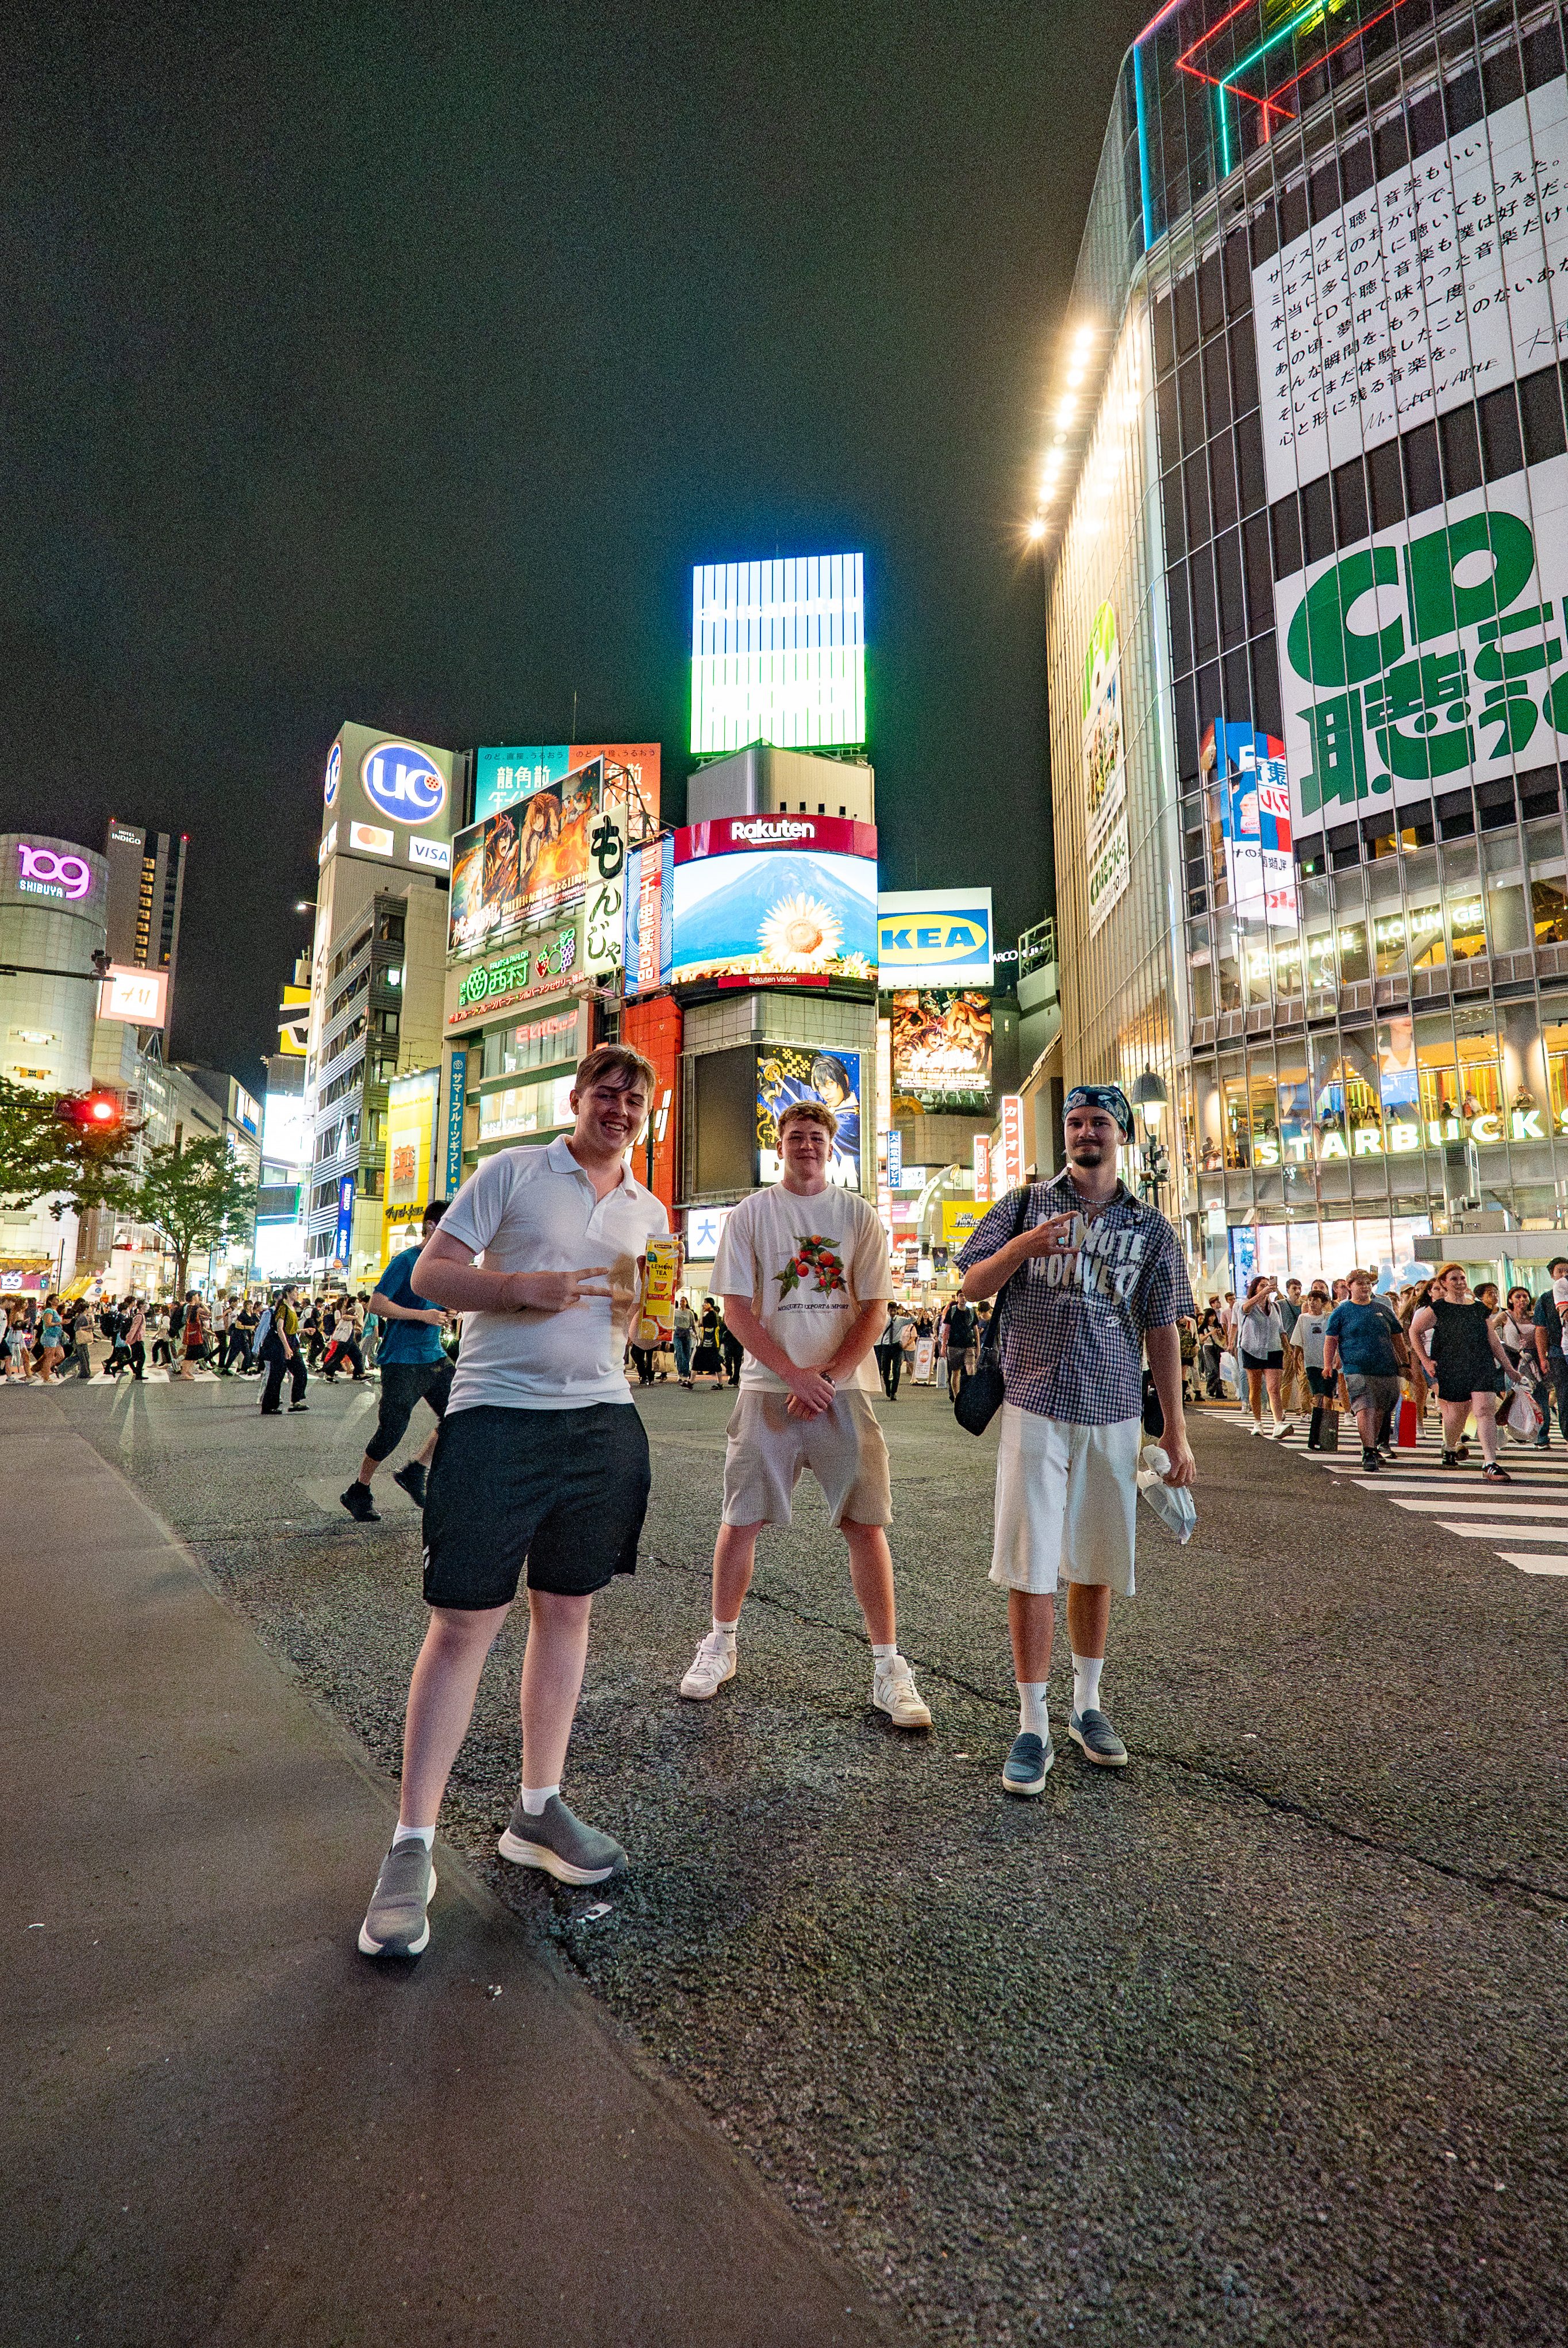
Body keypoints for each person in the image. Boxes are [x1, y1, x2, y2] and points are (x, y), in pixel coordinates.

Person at [356, 1045, 670, 1959]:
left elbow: (628, 1311)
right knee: (463, 1624)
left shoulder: (645, 1207)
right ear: (576, 1100)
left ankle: (539, 1810)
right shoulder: (511, 1172)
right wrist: (516, 1290)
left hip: (604, 1425)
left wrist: (642, 1316)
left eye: (634, 1097)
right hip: (497, 1420)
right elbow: (429, 1277)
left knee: (567, 1610)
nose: (619, 1107)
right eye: (605, 1092)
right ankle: (410, 1845)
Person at [953, 1083, 1195, 1792]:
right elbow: (970, 1285)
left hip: (1116, 1407)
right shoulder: (1024, 1203)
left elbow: (1163, 1330)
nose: (1086, 1132)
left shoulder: (1150, 1228)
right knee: (1030, 1563)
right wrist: (1025, 1246)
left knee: (1094, 1562)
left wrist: (1175, 1430)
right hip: (1033, 1400)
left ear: (1120, 1133)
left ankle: (1086, 1704)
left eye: (1099, 1122)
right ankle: (1031, 1720)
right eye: (1075, 1122)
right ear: (1065, 1133)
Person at [677, 1096, 932, 1731]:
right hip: (769, 1388)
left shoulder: (858, 1215)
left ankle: (887, 1666)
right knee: (741, 1519)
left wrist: (827, 1375)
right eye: (796, 1136)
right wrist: (794, 1373)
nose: (807, 1145)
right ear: (780, 1142)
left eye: (817, 1136)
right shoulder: (750, 1215)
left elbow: (874, 1308)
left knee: (865, 1523)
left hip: (842, 1390)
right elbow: (735, 1307)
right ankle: (720, 1642)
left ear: (831, 1143)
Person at [341, 1202, 454, 1522]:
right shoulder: (406, 1261)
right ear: (432, 1227)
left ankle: (416, 1470)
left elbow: (439, 1305)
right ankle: (359, 1490)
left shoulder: (443, 1265)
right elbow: (377, 1303)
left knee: (460, 1415)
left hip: (433, 1358)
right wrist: (423, 1315)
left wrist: (448, 1312)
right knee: (391, 1430)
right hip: (401, 1360)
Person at [1409, 1262, 1520, 1479]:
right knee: (1456, 1415)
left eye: (1462, 1278)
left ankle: (1490, 1462)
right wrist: (1426, 1361)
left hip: (1481, 1364)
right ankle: (1449, 1446)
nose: (1460, 1282)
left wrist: (1508, 1368)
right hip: (1452, 1366)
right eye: (1454, 1279)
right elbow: (1415, 1331)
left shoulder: (1479, 1309)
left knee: (1485, 1410)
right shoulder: (1438, 1309)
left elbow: (1494, 1341)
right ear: (1444, 1283)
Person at [1323, 1269, 1404, 1474]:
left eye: (1368, 1283)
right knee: (1365, 1407)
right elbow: (1331, 1339)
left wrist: (1404, 1363)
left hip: (1386, 1367)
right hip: (1356, 1367)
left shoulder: (1383, 1309)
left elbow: (1397, 1337)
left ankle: (1373, 1445)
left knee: (1380, 1410)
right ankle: (1368, 1451)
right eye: (1360, 1284)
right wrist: (1327, 1364)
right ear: (1349, 1287)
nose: (1365, 1287)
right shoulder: (1342, 1311)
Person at [1237, 1274, 1292, 1438]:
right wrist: (1261, 1294)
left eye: (1268, 1285)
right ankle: (1257, 1422)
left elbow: (1281, 1329)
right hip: (1251, 1349)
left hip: (1274, 1349)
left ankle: (1278, 1424)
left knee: (1274, 1388)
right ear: (1254, 1288)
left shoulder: (1275, 1307)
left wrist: (1288, 1348)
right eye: (1262, 1285)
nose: (1266, 1288)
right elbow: (1245, 1309)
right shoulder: (1245, 1304)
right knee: (1255, 1388)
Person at [1496, 1284, 1550, 1448]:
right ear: (1510, 1300)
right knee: (1513, 1398)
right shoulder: (1505, 1316)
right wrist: (1502, 1346)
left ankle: (1542, 1436)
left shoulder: (1536, 1317)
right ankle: (1517, 1431)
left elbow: (1544, 1335)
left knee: (1541, 1397)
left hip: (1534, 1359)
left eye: (1525, 1297)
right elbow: (1489, 1332)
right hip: (1513, 1360)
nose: (1522, 1300)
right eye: (1518, 1297)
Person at [1294, 1283, 1334, 1449]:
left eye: (1316, 1300)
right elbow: (1298, 1342)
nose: (1312, 1303)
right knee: (1317, 1396)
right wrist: (1296, 1358)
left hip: (1329, 1363)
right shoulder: (1303, 1319)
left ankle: (1328, 1432)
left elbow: (1335, 1339)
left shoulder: (1330, 1318)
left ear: (1323, 1302)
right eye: (1310, 1300)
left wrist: (1336, 1358)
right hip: (1311, 1363)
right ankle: (1316, 1432)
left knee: (1328, 1396)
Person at [258, 1284, 309, 1414]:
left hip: (291, 1342)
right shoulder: (282, 1308)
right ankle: (269, 1406)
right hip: (281, 1345)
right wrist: (287, 1348)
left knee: (301, 1371)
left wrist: (304, 1330)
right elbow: (280, 1329)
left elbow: (289, 1329)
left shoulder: (292, 1308)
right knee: (277, 1375)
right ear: (288, 1293)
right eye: (296, 1292)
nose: (297, 1294)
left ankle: (296, 1401)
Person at [1535, 1257, 1568, 1441]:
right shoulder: (1546, 1299)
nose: (1564, 1274)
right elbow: (1541, 1329)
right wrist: (1542, 1357)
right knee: (1564, 1393)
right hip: (1557, 1352)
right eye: (1560, 1271)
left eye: (1567, 1270)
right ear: (1552, 1275)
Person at [943, 1292, 977, 1401]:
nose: (963, 1298)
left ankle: (969, 1396)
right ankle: (957, 1397)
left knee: (971, 1370)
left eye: (965, 1296)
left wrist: (978, 1347)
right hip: (954, 1346)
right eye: (961, 1296)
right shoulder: (952, 1311)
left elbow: (976, 1331)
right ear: (957, 1298)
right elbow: (947, 1330)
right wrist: (943, 1346)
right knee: (956, 1371)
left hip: (969, 1345)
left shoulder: (972, 1312)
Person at [877, 1301, 909, 1400]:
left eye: (894, 1310)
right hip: (886, 1347)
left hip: (897, 1347)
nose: (893, 1312)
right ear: (888, 1311)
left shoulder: (901, 1320)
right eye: (891, 1311)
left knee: (896, 1370)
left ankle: (894, 1392)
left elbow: (914, 1319)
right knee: (885, 1371)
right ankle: (888, 1386)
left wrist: (905, 1310)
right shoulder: (884, 1320)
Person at [692, 1296, 725, 1389]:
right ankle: (691, 1381)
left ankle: (691, 1381)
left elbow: (701, 1324)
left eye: (706, 1303)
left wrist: (702, 1313)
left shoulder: (711, 1315)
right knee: (714, 1362)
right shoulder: (712, 1315)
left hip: (708, 1344)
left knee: (698, 1360)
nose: (704, 1305)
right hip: (710, 1344)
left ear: (710, 1305)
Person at [34, 1295, 64, 1383]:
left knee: (60, 1355)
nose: (58, 1301)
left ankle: (44, 1371)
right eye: (56, 1299)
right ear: (51, 1301)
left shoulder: (54, 1310)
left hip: (56, 1337)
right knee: (49, 1357)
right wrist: (60, 1323)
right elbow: (48, 1324)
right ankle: (46, 1377)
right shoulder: (49, 1311)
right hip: (49, 1336)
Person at [671, 1292, 694, 1388]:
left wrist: (696, 1335)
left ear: (686, 1303)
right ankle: (680, 1373)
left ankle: (685, 1374)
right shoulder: (675, 1311)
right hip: (677, 1332)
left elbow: (693, 1324)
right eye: (681, 1301)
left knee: (687, 1354)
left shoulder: (690, 1313)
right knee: (679, 1353)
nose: (682, 1303)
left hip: (687, 1333)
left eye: (683, 1301)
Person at [719, 1305, 745, 1387]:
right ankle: (730, 1374)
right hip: (729, 1343)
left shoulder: (741, 1320)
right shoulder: (726, 1318)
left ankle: (735, 1379)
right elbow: (722, 1331)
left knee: (737, 1362)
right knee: (728, 1360)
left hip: (738, 1343)